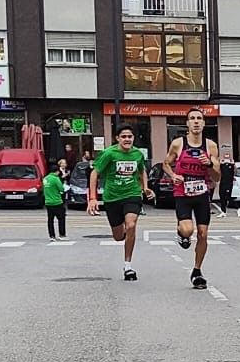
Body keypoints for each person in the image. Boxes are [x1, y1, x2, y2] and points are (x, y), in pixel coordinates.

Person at [164, 108, 221, 289]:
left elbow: (217, 177)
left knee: (203, 234)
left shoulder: (210, 146)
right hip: (183, 192)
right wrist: (173, 175)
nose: (196, 122)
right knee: (188, 230)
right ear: (187, 124)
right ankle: (182, 233)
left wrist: (210, 164)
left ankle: (197, 271)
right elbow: (166, 163)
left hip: (202, 193)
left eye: (199, 118)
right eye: (192, 119)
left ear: (204, 123)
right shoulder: (178, 144)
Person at [88, 124, 153, 281]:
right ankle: (124, 233)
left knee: (131, 225)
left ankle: (128, 266)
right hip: (112, 198)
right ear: (117, 139)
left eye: (129, 136)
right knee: (118, 237)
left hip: (132, 194)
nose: (127, 139)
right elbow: (95, 173)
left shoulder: (137, 154)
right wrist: (92, 198)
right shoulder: (109, 154)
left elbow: (142, 170)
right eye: (123, 136)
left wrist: (145, 187)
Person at [43, 161, 68, 241]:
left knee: (50, 220)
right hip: (57, 201)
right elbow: (61, 189)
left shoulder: (45, 179)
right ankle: (62, 234)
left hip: (48, 201)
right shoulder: (56, 179)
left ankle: (52, 236)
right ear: (57, 171)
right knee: (61, 218)